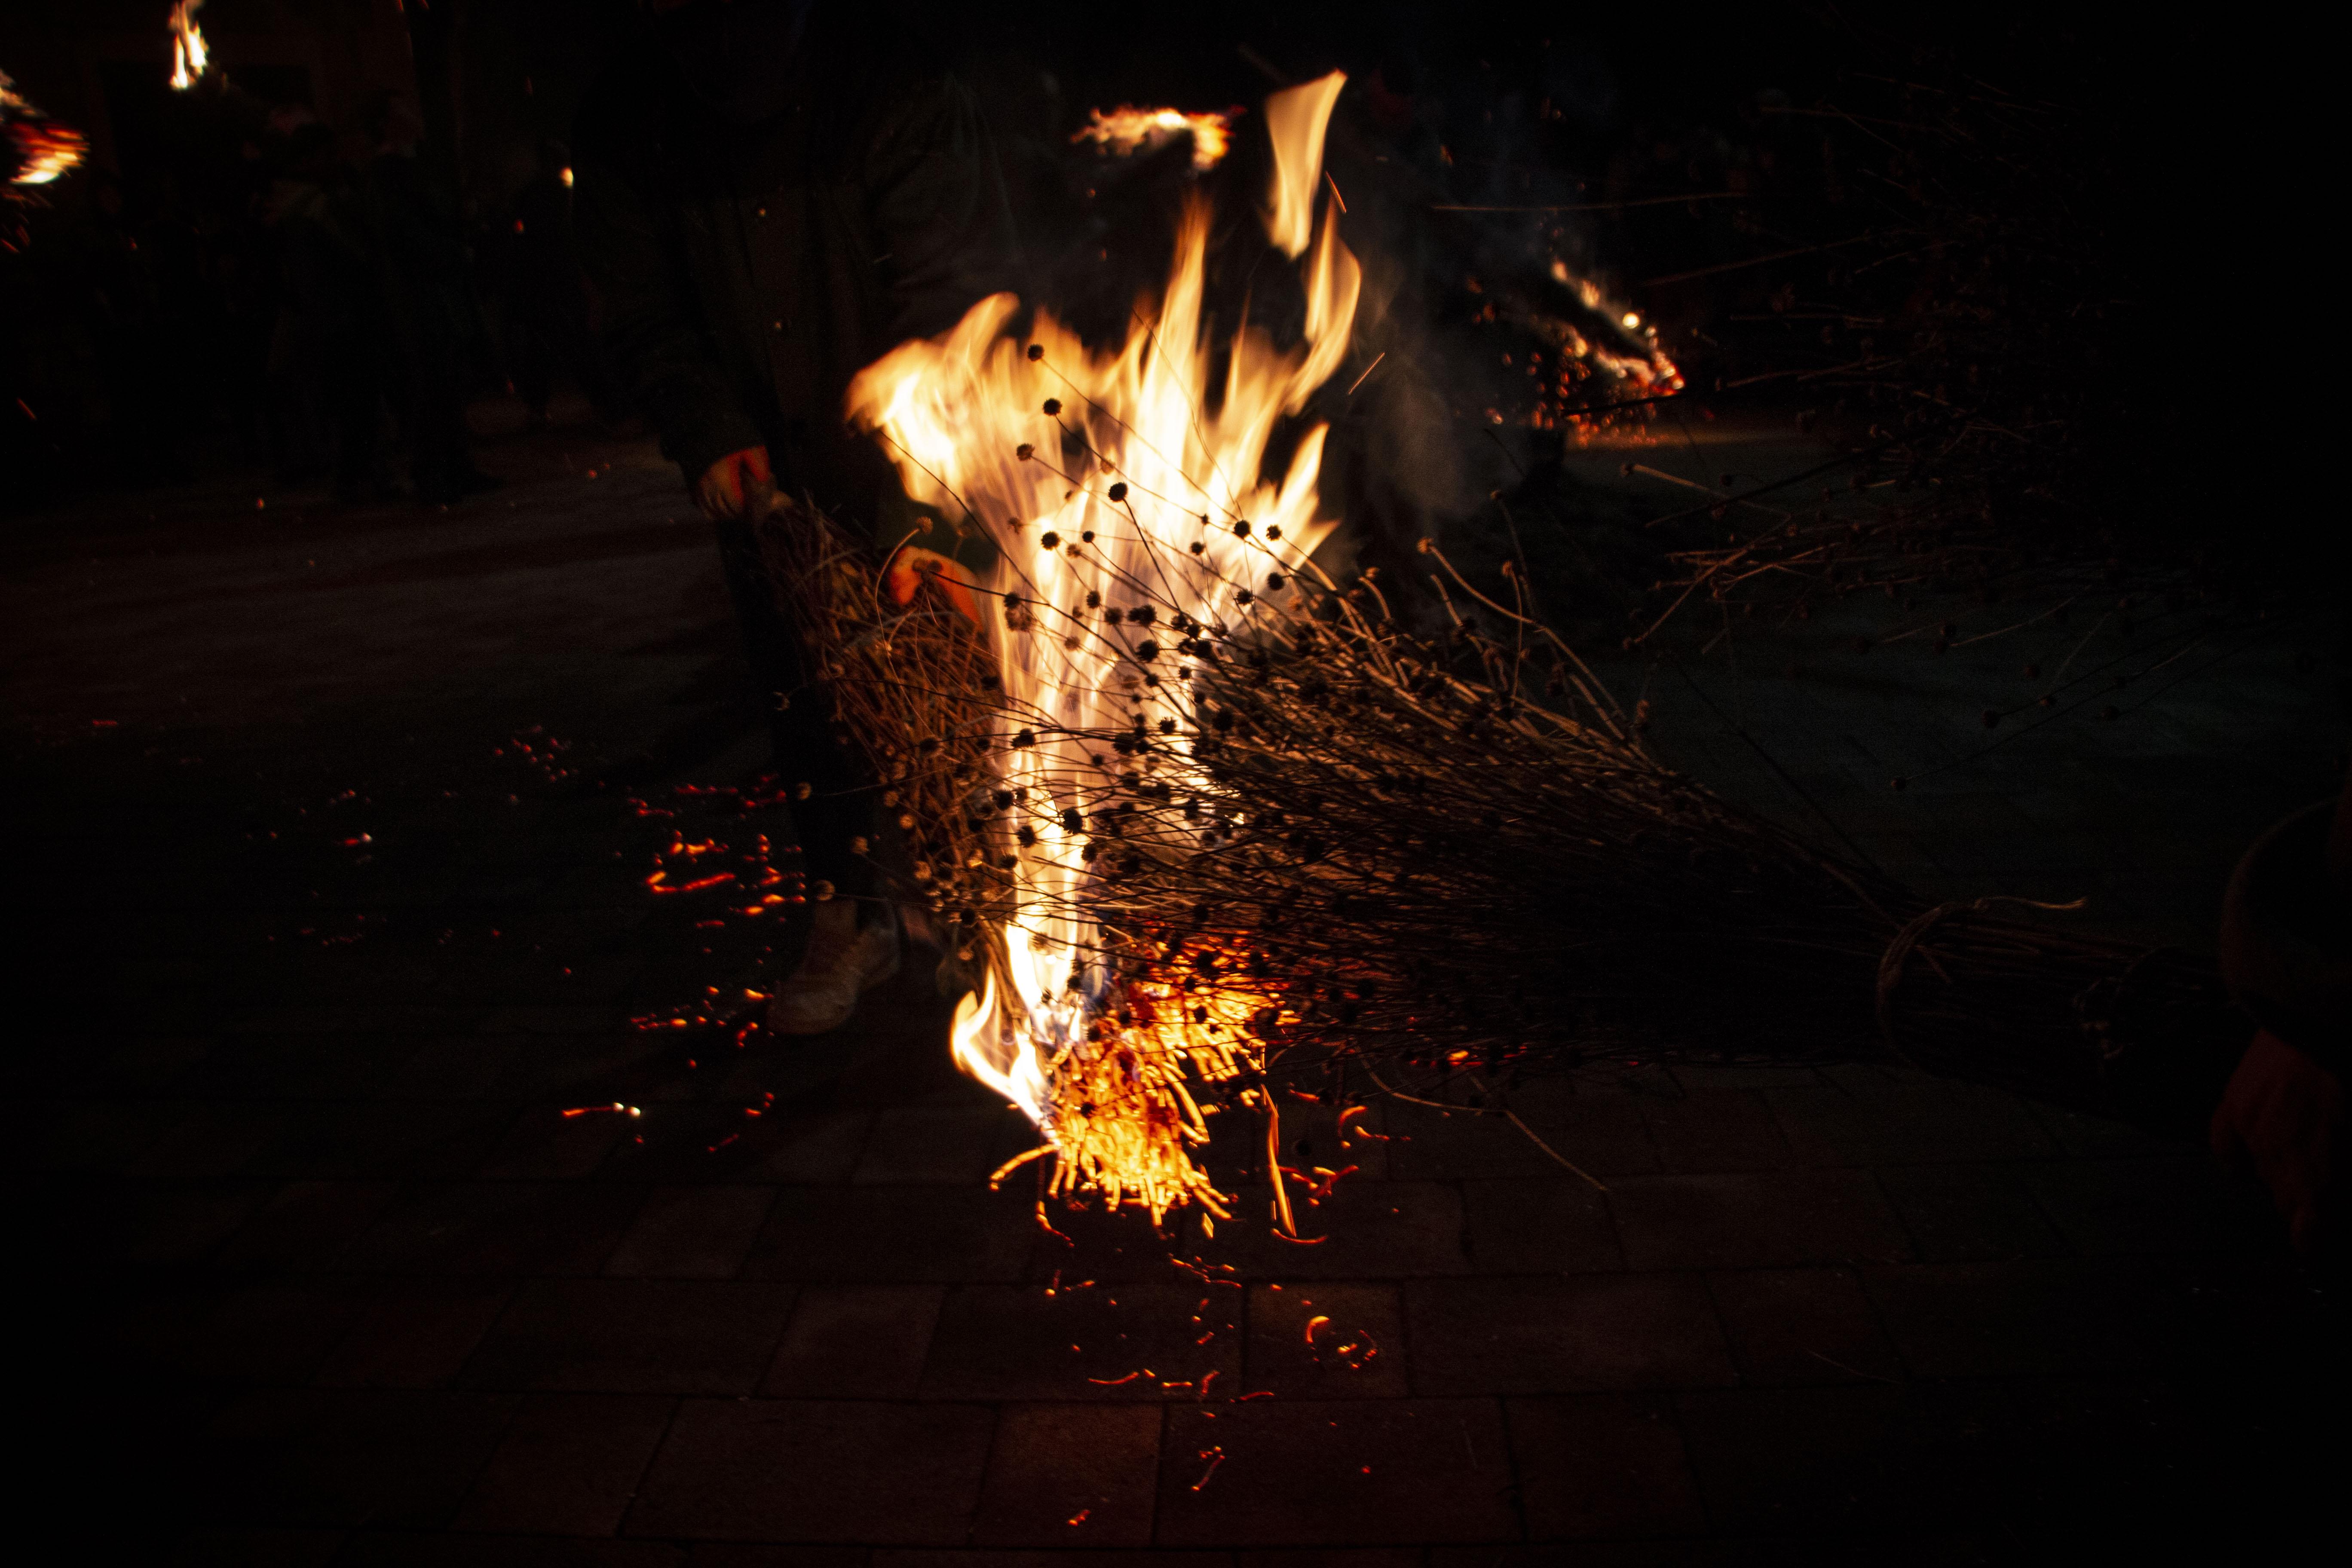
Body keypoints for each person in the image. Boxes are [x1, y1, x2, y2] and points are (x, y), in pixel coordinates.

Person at [573, 0, 1013, 1033]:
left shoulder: (890, 83)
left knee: (952, 674)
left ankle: (982, 908)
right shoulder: (633, 114)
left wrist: (925, 483)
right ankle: (851, 904)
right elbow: (639, 303)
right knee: (805, 684)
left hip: (913, 445)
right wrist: (705, 421)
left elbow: (949, 288)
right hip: (761, 446)